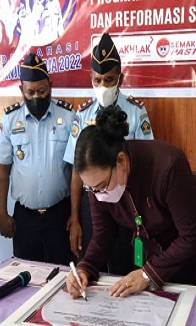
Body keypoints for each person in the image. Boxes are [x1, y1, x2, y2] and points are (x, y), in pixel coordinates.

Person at [66, 105, 196, 300]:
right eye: (91, 189)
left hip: (192, 260)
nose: (98, 195)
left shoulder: (168, 165)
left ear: (121, 161)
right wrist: (85, 268)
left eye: (102, 186)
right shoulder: (97, 184)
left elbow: (192, 236)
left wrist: (148, 274)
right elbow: (102, 236)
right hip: (152, 260)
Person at [63, 32, 154, 273]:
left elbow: (146, 163)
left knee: (127, 268)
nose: (103, 86)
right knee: (93, 266)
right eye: (97, 80)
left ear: (120, 78)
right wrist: (75, 218)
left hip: (127, 202)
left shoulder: (136, 112)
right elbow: (76, 169)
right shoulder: (83, 113)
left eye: (109, 79)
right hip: (93, 202)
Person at [0, 53, 75, 265]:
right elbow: (1, 171)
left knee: (62, 274)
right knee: (26, 276)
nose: (36, 97)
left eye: (42, 91)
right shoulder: (10, 120)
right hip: (25, 219)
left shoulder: (68, 117)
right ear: (21, 89)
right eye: (30, 92)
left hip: (60, 215)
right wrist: (2, 214)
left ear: (50, 86)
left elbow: (77, 170)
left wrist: (76, 215)